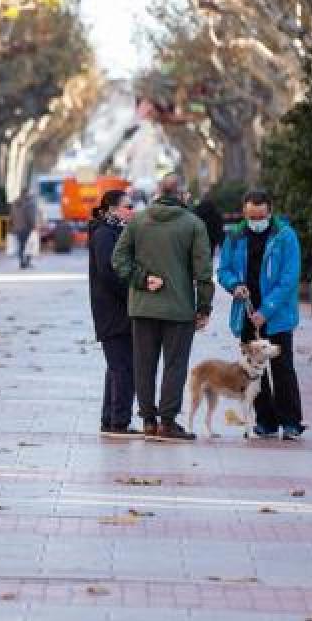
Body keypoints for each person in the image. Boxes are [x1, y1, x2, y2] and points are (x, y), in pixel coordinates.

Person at [112, 173, 213, 441]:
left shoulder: (138, 221)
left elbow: (118, 258)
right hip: (179, 309)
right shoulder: (194, 224)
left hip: (143, 307)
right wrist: (204, 307)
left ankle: (147, 420)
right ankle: (167, 423)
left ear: (158, 192)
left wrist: (141, 280)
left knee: (143, 365)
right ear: (181, 195)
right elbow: (204, 271)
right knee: (175, 365)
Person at [217, 190, 305, 439]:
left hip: (277, 316)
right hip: (246, 311)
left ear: (270, 211)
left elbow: (289, 279)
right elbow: (223, 269)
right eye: (251, 216)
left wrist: (266, 311)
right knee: (253, 371)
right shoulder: (234, 236)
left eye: (260, 216)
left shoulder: (285, 236)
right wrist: (234, 285)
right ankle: (265, 421)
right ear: (244, 212)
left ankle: (291, 422)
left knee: (283, 367)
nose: (256, 221)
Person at [88, 189, 138, 437]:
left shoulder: (115, 232)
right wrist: (133, 292)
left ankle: (111, 419)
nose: (133, 211)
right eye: (128, 207)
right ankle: (119, 422)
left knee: (117, 366)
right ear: (113, 210)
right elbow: (110, 273)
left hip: (118, 310)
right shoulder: (105, 234)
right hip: (113, 311)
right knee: (123, 367)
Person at [193, 194, 226, 264]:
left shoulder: (196, 212)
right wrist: (221, 243)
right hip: (211, 242)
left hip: (198, 242)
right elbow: (219, 229)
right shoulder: (216, 213)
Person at [9, 193, 39, 269]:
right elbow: (30, 217)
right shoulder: (29, 205)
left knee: (21, 246)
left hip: (17, 228)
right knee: (30, 245)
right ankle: (27, 262)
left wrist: (12, 227)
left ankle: (22, 262)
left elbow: (11, 218)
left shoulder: (14, 205)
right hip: (26, 228)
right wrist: (33, 226)